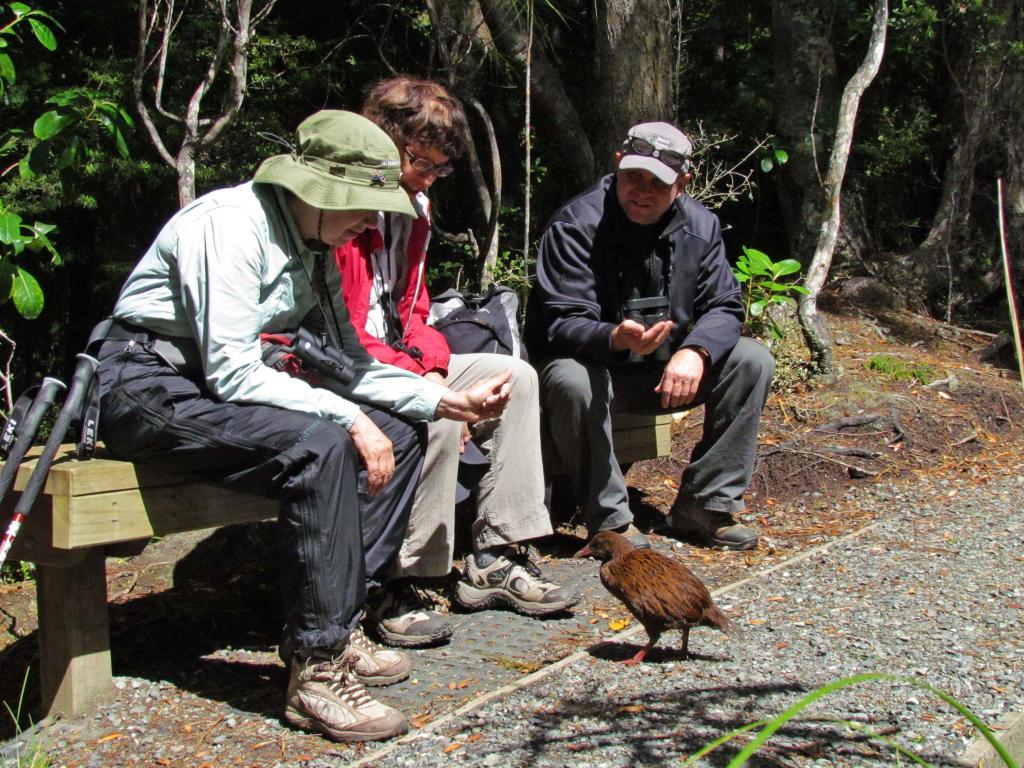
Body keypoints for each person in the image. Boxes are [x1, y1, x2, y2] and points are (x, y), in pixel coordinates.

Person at [95, 110, 514, 743]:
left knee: (401, 431)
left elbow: (345, 363)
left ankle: (340, 621)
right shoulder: (229, 227)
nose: (372, 222)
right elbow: (233, 372)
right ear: (317, 192)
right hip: (142, 384)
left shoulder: (315, 242)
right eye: (363, 206)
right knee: (318, 444)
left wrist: (446, 404)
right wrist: (347, 418)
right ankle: (316, 669)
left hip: (206, 385)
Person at [335, 76, 579, 648]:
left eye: (440, 167)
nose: (428, 176)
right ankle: (401, 579)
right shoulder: (344, 206)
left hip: (397, 354)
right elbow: (340, 332)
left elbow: (413, 308)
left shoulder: (415, 209)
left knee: (514, 378)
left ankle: (496, 553)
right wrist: (425, 379)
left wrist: (435, 362)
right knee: (437, 410)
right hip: (346, 367)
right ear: (381, 142)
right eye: (420, 161)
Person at [525, 121, 775, 552]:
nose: (642, 191)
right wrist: (613, 337)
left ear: (683, 183)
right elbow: (558, 321)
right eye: (633, 177)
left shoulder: (701, 226)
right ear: (617, 164)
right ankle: (610, 524)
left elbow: (726, 305)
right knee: (572, 377)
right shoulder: (576, 224)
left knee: (752, 361)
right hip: (593, 371)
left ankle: (704, 507)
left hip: (662, 371)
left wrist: (696, 351)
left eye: (658, 183)